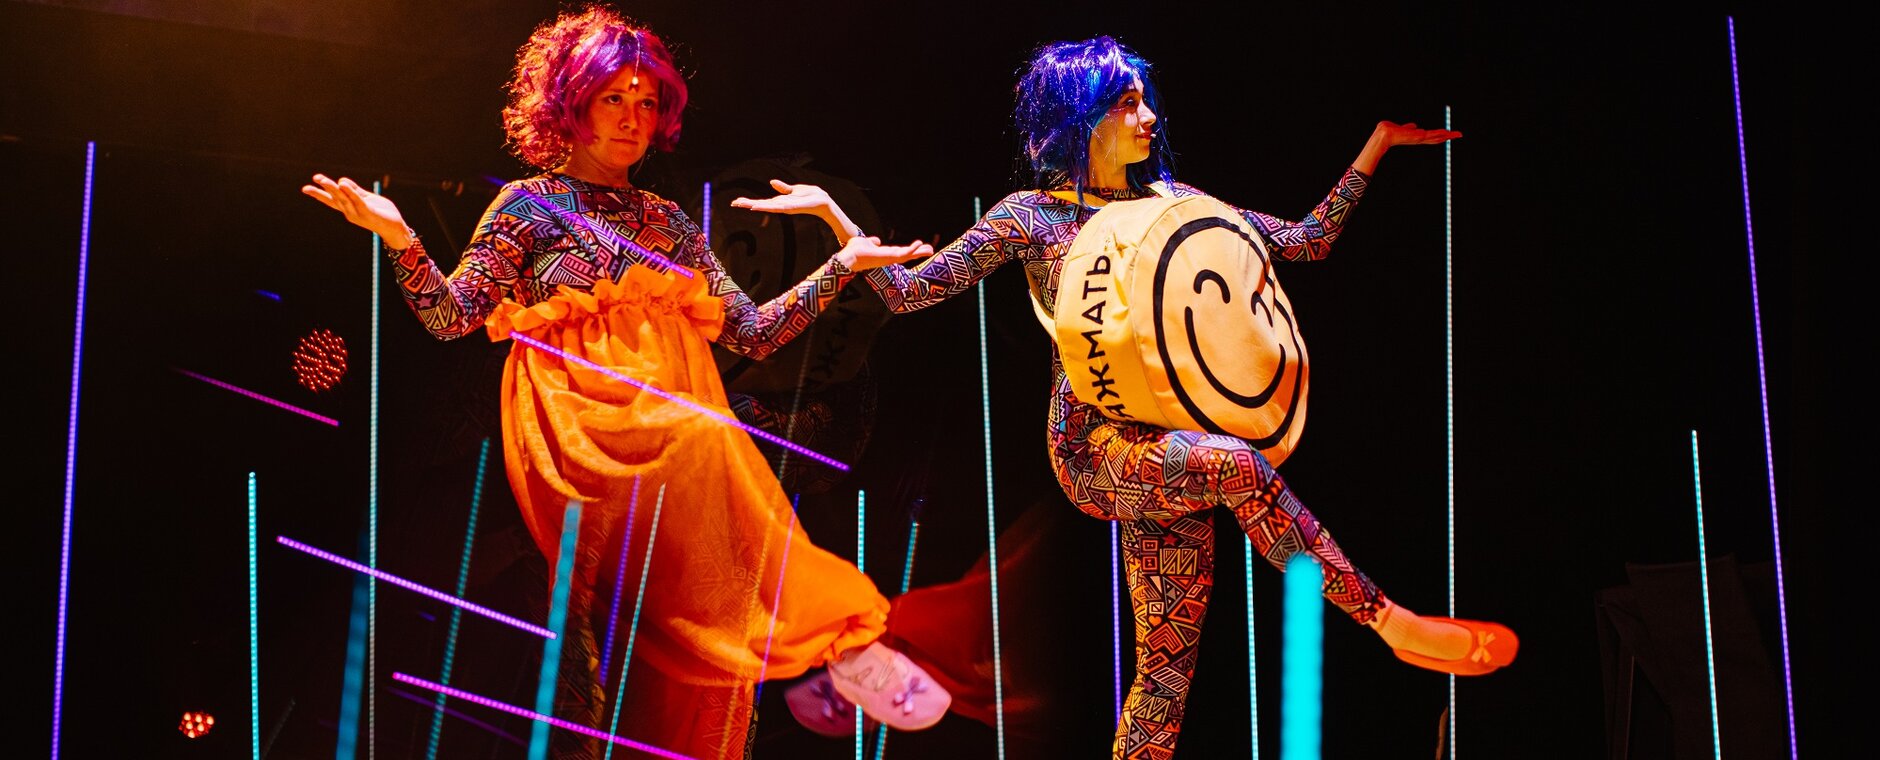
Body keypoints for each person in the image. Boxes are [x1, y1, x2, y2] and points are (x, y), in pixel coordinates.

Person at [300, 6, 948, 758]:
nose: (633, 118)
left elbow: (753, 332)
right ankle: (825, 644)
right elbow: (452, 317)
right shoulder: (528, 207)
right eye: (614, 98)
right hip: (581, 431)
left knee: (730, 518)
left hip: (672, 439)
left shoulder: (667, 222)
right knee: (685, 476)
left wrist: (842, 266)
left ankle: (835, 643)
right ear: (571, 104)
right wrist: (399, 237)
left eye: (647, 102)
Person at [850, 35, 1518, 756]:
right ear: (1081, 116)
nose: (1148, 118)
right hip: (1095, 447)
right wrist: (843, 233)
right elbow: (910, 293)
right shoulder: (1030, 218)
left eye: (1144, 100)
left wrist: (1375, 147)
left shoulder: (1176, 205)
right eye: (1126, 103)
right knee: (1238, 467)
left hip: (1170, 438)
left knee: (1164, 677)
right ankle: (1390, 622)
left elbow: (1307, 241)